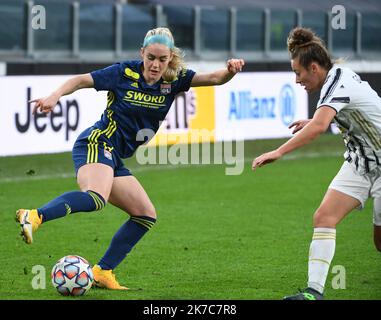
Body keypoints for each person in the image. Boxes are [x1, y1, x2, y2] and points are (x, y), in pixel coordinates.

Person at [16, 27, 245, 290]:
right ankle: (34, 216)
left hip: (115, 156)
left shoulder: (175, 78)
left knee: (145, 215)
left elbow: (215, 78)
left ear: (170, 58)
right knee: (95, 198)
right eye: (151, 57)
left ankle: (103, 271)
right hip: (97, 142)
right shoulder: (123, 72)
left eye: (162, 59)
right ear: (142, 53)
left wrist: (230, 70)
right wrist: (55, 95)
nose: (156, 65)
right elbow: (80, 80)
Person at [252, 27, 381, 300]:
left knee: (380, 243)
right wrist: (313, 121)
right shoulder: (335, 79)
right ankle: (314, 293)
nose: (297, 80)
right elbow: (339, 116)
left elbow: (319, 127)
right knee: (324, 217)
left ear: (313, 67)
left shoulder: (337, 82)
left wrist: (279, 151)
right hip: (360, 163)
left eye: (298, 73)